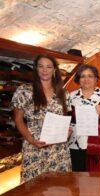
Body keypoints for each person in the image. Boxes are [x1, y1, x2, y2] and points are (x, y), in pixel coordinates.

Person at [11, 54, 71, 183]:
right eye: (41, 66)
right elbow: (18, 120)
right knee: (33, 188)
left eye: (49, 67)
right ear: (36, 69)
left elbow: (64, 118)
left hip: (58, 148)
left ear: (54, 70)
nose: (45, 70)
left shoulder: (63, 93)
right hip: (34, 145)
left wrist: (67, 131)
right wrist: (31, 140)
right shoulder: (24, 90)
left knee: (59, 188)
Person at [68, 64, 100, 172]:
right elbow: (65, 119)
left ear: (96, 79)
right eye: (83, 76)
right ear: (78, 79)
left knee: (97, 183)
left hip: (98, 147)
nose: (86, 79)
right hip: (75, 145)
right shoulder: (70, 97)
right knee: (77, 181)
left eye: (90, 76)